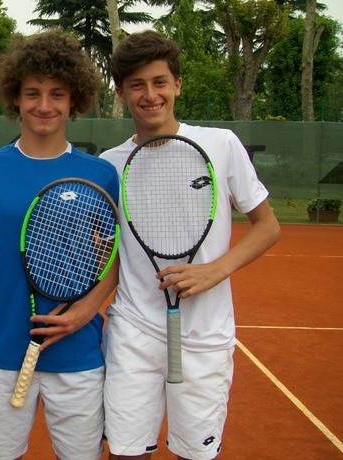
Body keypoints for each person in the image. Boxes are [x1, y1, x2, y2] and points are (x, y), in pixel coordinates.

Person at [100, 30, 281, 460]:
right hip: (133, 331)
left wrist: (212, 270)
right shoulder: (109, 164)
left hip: (205, 336)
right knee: (126, 453)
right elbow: (104, 251)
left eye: (160, 81)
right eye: (137, 85)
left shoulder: (221, 145)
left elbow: (267, 226)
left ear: (177, 84)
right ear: (122, 93)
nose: (150, 95)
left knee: (195, 455)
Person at [0, 29, 120, 460]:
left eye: (57, 94)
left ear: (74, 100)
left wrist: (82, 313)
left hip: (79, 352)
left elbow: (112, 259)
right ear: (15, 98)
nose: (44, 105)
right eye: (32, 93)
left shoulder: (100, 174)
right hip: (3, 350)